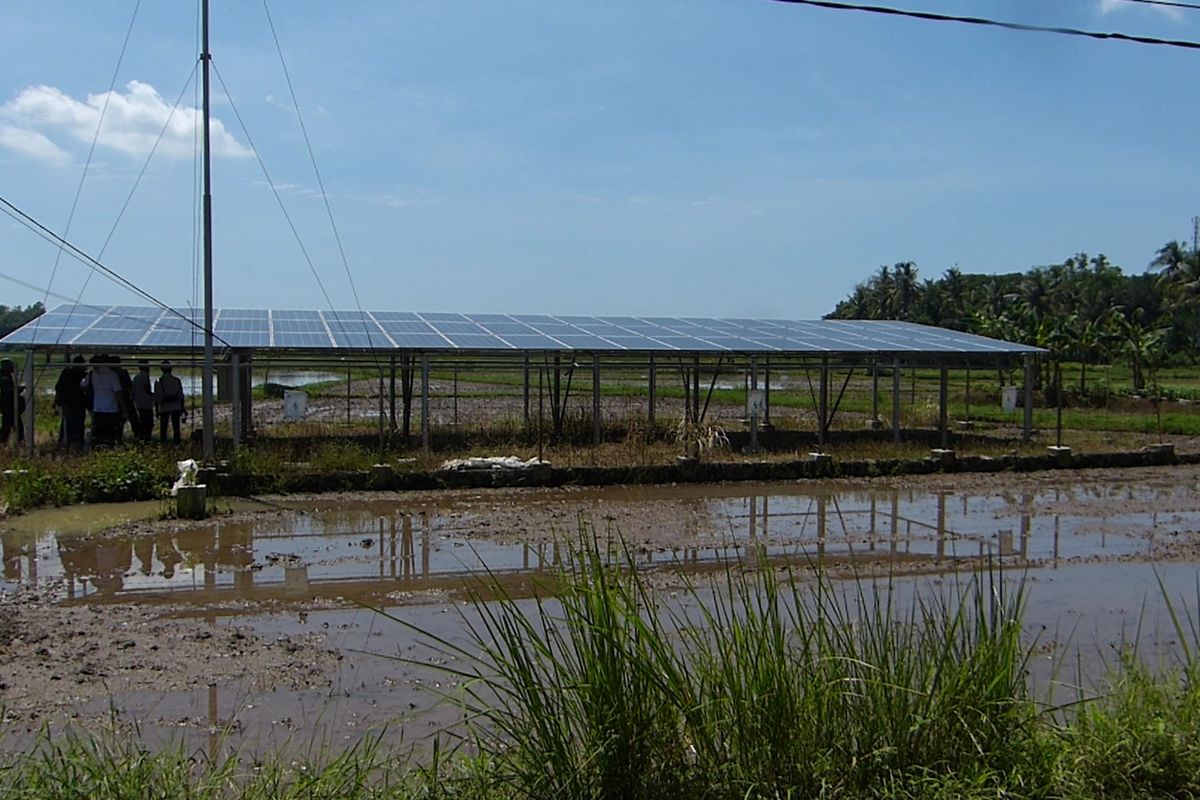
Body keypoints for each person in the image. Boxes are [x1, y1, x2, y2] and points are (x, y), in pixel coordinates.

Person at [84, 354, 124, 446]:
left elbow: (83, 385)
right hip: (111, 408)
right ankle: (109, 448)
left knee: (98, 434)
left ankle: (97, 449)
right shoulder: (113, 375)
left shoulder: (92, 374)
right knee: (110, 433)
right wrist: (123, 407)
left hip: (97, 407)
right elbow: (118, 392)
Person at [54, 355, 88, 449]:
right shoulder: (82, 374)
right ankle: (76, 442)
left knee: (67, 422)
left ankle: (65, 441)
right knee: (78, 423)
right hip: (78, 402)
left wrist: (58, 400)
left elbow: (58, 388)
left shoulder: (66, 372)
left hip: (68, 402)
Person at [155, 361, 185, 445]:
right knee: (176, 427)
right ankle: (177, 443)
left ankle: (163, 443)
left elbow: (157, 397)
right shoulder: (176, 380)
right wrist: (182, 408)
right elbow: (181, 396)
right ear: (171, 369)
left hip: (164, 407)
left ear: (161, 369)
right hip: (176, 406)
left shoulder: (159, 381)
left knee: (163, 428)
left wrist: (157, 410)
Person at [0, 358, 24, 447]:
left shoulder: (5, 375)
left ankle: (17, 442)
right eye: (10, 365)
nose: (12, 368)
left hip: (8, 405)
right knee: (9, 426)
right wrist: (18, 390)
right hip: (8, 406)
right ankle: (18, 442)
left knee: (11, 426)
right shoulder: (4, 377)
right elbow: (8, 390)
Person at [130, 361, 155, 441]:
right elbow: (147, 389)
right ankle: (146, 439)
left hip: (139, 403)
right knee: (148, 423)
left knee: (142, 421)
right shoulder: (145, 376)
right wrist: (154, 396)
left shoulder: (136, 377)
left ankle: (142, 438)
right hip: (146, 404)